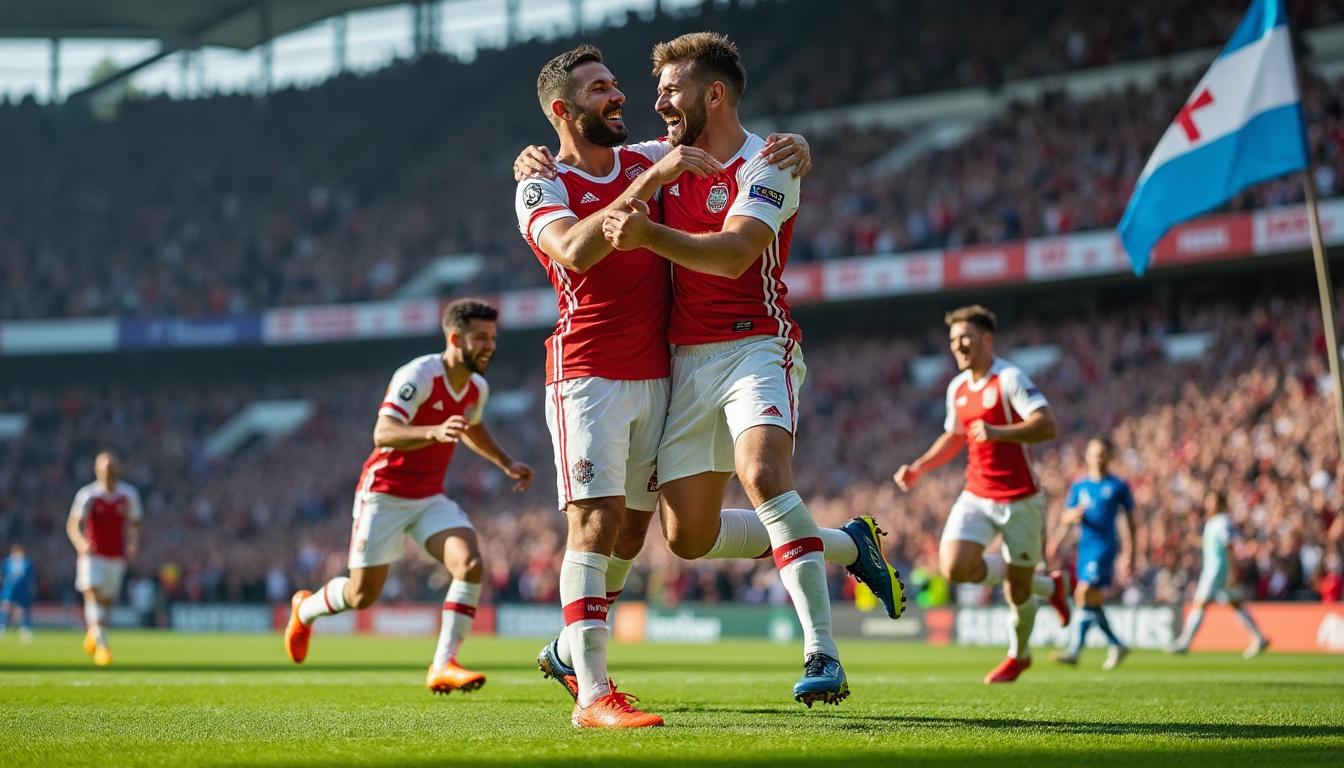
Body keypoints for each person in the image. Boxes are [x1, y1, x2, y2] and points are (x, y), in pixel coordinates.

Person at [600, 32, 906, 707]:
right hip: (684, 360)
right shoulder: (658, 157)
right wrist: (535, 160)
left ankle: (822, 651)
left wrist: (649, 234)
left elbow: (736, 253)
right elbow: (590, 164)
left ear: (714, 93)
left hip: (754, 344)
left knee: (764, 476)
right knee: (687, 538)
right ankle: (850, 547)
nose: (659, 101)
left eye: (672, 89)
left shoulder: (769, 162)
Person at [283, 299, 534, 694]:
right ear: (455, 338)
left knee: (469, 563)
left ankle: (443, 664)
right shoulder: (418, 374)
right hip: (383, 493)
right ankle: (305, 609)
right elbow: (382, 433)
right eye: (481, 337)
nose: (491, 346)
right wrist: (431, 432)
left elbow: (472, 427)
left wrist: (505, 463)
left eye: (493, 338)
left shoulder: (476, 388)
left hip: (429, 497)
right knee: (361, 595)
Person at [893, 305, 1070, 684]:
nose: (958, 346)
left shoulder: (1009, 379)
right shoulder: (957, 388)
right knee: (954, 566)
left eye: (965, 339)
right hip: (976, 494)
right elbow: (956, 435)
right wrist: (920, 466)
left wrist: (1000, 432)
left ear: (987, 339)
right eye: (954, 340)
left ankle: (1019, 655)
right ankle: (1048, 584)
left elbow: (1047, 425)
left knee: (1017, 590)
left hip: (1021, 498)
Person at [1050, 437, 1136, 669]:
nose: (1097, 457)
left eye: (1101, 453)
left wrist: (1130, 552)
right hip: (1084, 549)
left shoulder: (1118, 486)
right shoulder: (1079, 486)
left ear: (1109, 456)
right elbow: (1066, 516)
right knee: (1091, 600)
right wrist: (1058, 538)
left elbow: (1128, 522)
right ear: (1087, 455)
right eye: (1093, 453)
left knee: (1083, 592)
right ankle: (1116, 643)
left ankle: (1075, 650)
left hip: (1105, 547)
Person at [1170, 489, 1270, 658]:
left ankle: (1185, 642)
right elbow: (1213, 544)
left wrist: (1232, 571)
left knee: (1200, 604)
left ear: (1220, 504)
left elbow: (1228, 546)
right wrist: (1194, 540)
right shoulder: (1214, 522)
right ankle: (1259, 637)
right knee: (1235, 605)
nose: (1209, 504)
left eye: (1212, 501)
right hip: (1218, 570)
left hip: (1216, 571)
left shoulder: (1222, 521)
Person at [66, 450, 142, 666]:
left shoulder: (128, 495)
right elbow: (73, 525)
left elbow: (135, 523)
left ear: (117, 469)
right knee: (92, 594)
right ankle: (102, 645)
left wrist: (134, 543)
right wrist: (81, 543)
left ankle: (94, 633)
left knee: (107, 602)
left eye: (111, 467)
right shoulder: (88, 495)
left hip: (115, 556)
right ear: (97, 470)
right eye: (104, 467)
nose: (108, 471)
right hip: (92, 555)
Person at [0, 543, 35, 643]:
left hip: (22, 591)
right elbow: (2, 574)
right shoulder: (7, 562)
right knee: (5, 609)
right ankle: (2, 627)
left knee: (23, 610)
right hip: (9, 590)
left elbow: (31, 577)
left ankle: (26, 629)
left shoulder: (27, 563)